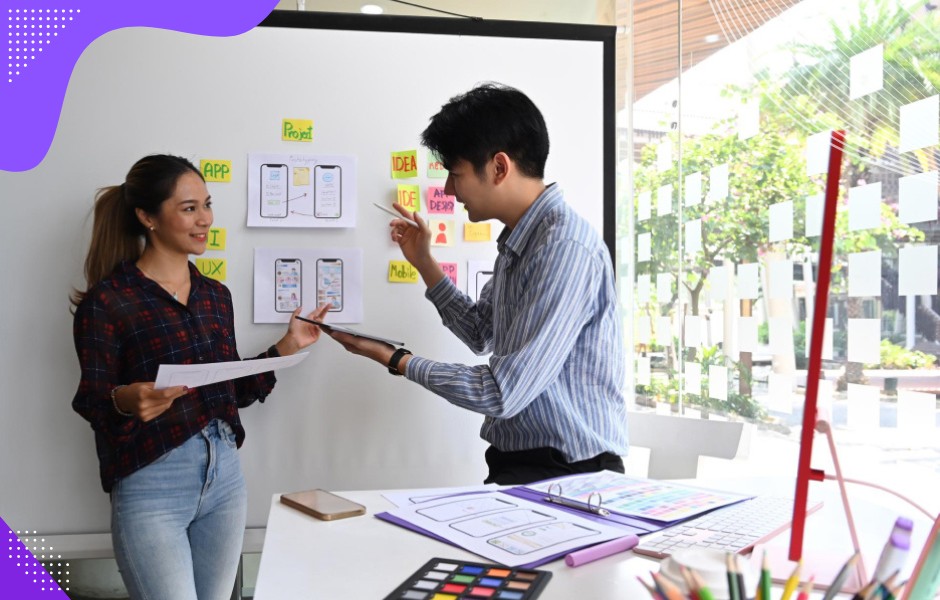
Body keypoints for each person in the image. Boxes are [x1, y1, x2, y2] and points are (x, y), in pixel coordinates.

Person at [328, 83, 628, 485]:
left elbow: (503, 393)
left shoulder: (563, 248)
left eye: (456, 175)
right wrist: (425, 264)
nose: (450, 191)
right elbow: (481, 332)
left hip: (571, 477)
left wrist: (396, 360)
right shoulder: (519, 239)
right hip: (522, 465)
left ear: (499, 168)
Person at [70, 154, 329, 600]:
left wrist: (286, 347)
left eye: (206, 205)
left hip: (225, 476)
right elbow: (93, 400)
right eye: (189, 208)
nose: (205, 219)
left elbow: (228, 391)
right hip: (153, 482)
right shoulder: (108, 302)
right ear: (147, 217)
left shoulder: (215, 296)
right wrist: (127, 398)